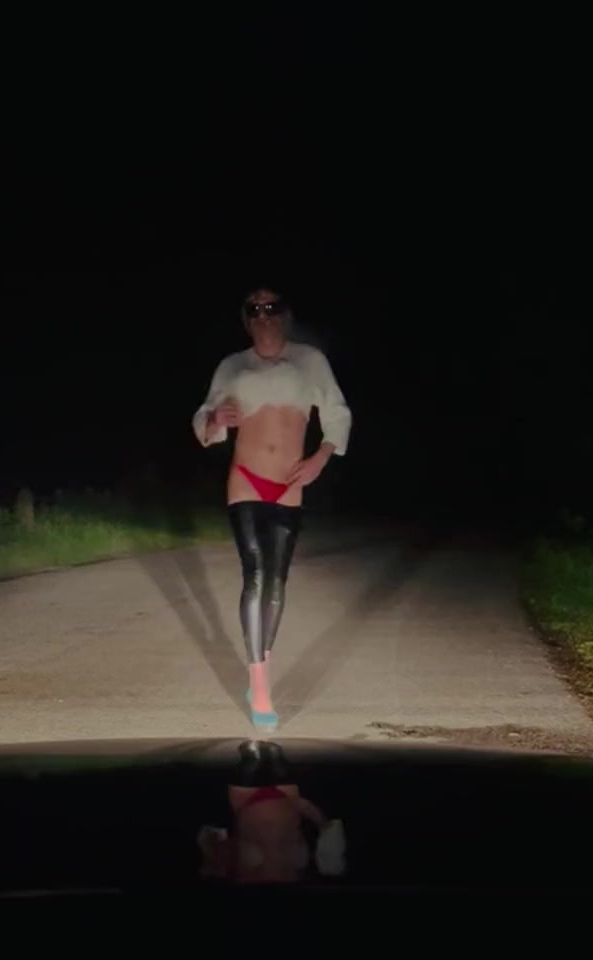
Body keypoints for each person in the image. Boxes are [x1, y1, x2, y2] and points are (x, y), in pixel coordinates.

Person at [192, 287, 352, 730]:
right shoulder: (233, 365)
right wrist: (214, 420)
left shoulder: (309, 361)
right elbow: (205, 415)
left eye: (271, 307)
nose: (263, 314)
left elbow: (337, 412)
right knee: (256, 574)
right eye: (254, 309)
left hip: (289, 483)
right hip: (246, 476)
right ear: (246, 320)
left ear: (286, 315)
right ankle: (260, 685)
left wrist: (320, 459)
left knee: (277, 581)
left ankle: (260, 666)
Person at [197, 740, 346, 883]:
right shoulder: (314, 865)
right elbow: (327, 837)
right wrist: (313, 815)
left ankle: (256, 757)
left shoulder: (231, 866)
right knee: (271, 758)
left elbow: (216, 847)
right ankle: (264, 757)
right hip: (280, 802)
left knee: (254, 760)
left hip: (253, 803)